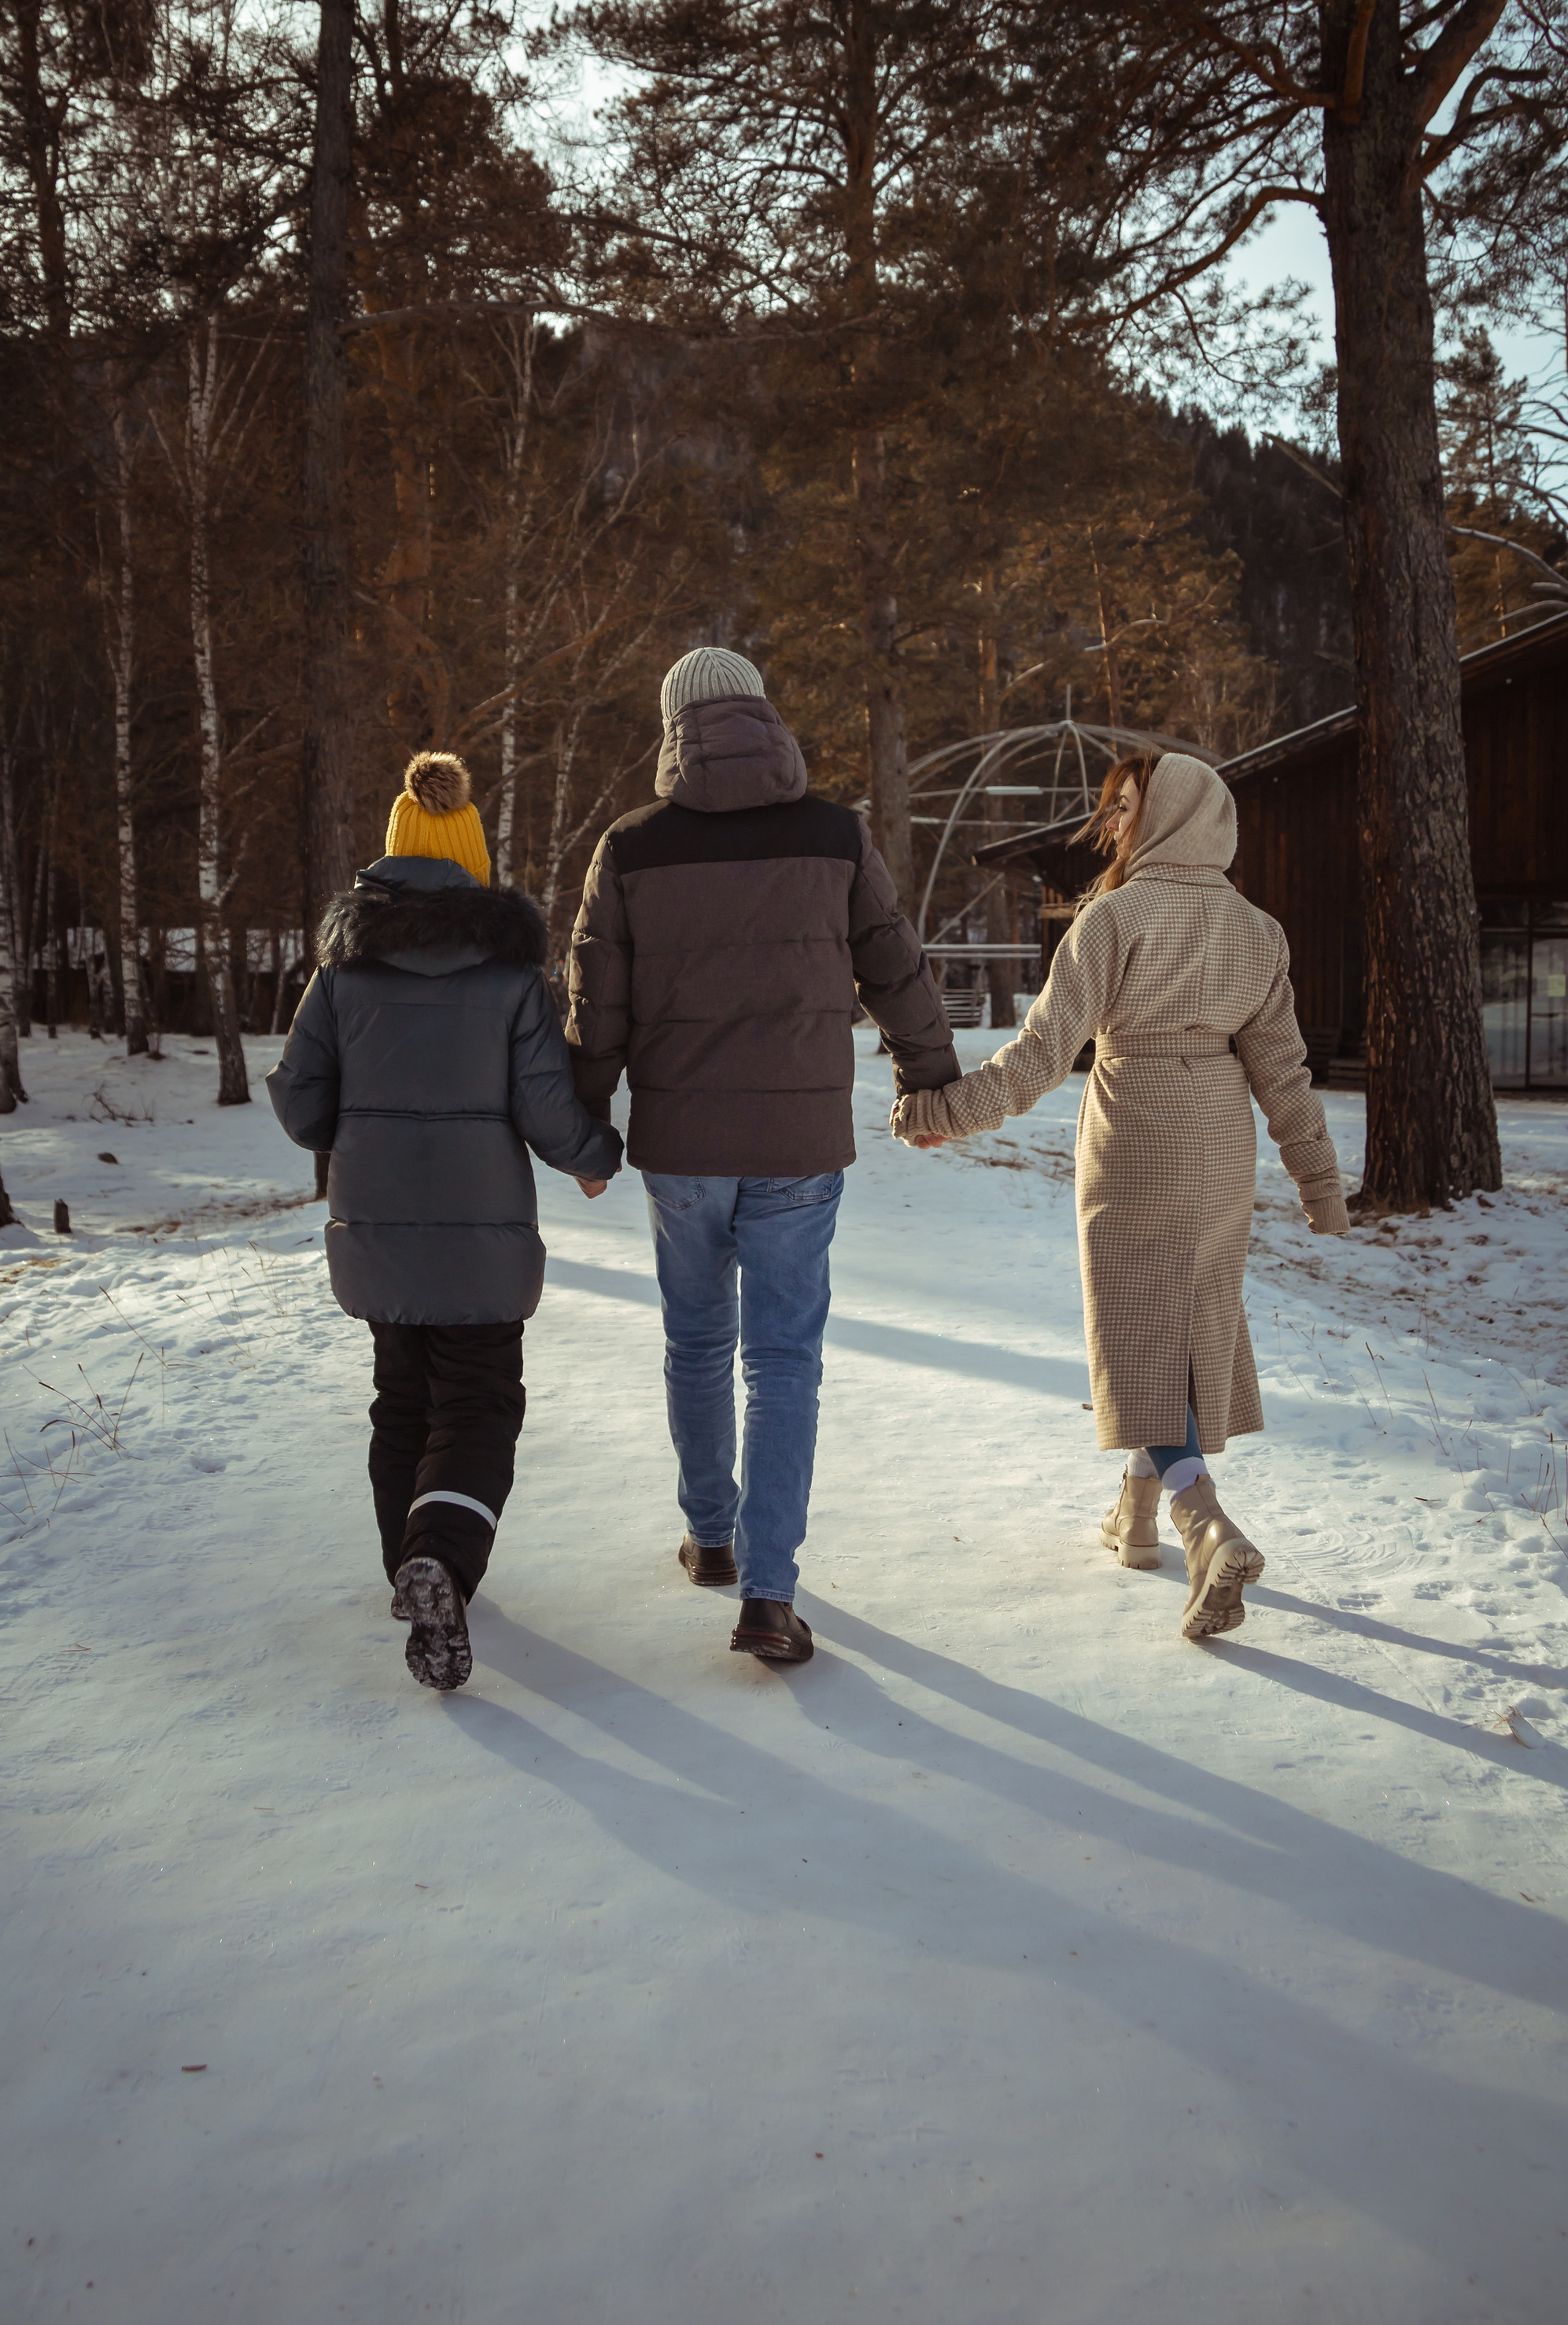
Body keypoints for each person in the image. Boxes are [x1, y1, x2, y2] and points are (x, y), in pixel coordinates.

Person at [894, 748, 1348, 1641]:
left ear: (1172, 814)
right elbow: (1283, 1074)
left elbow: (1038, 1056)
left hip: (1136, 1131)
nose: (1112, 824)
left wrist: (942, 1109)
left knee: (1141, 1325)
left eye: (1126, 806)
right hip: (1221, 1141)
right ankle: (1134, 1518)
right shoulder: (1259, 932)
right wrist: (1319, 1186)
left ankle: (1200, 1519)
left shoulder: (1112, 919)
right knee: (1184, 1318)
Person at [565, 646, 958, 1666]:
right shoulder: (833, 834)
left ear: (674, 731)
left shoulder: (632, 846)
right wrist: (929, 1076)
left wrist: (586, 1125)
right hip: (797, 1144)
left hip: (683, 1146)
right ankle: (771, 1599)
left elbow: (595, 1000)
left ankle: (710, 1539)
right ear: (763, 718)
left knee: (697, 1345)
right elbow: (892, 958)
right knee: (783, 1362)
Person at [267, 751, 622, 1692]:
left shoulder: (341, 973)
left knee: (401, 1398)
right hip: (481, 1231)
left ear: (385, 858)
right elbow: (546, 1104)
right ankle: (445, 1562)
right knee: (478, 1399)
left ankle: (411, 1572)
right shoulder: (507, 976)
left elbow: (302, 1106)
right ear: (471, 860)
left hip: (376, 1225)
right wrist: (593, 1158)